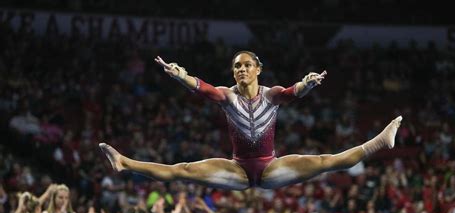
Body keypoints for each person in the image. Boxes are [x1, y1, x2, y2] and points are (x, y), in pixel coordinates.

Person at [99, 51, 402, 190]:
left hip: (271, 167)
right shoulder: (226, 96)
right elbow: (202, 88)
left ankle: (380, 141)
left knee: (326, 161)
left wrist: (308, 83)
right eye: (236, 67)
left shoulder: (271, 95)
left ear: (258, 69)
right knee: (183, 170)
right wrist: (180, 76)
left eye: (246, 65)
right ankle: (125, 163)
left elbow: (291, 92)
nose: (241, 70)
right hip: (237, 169)